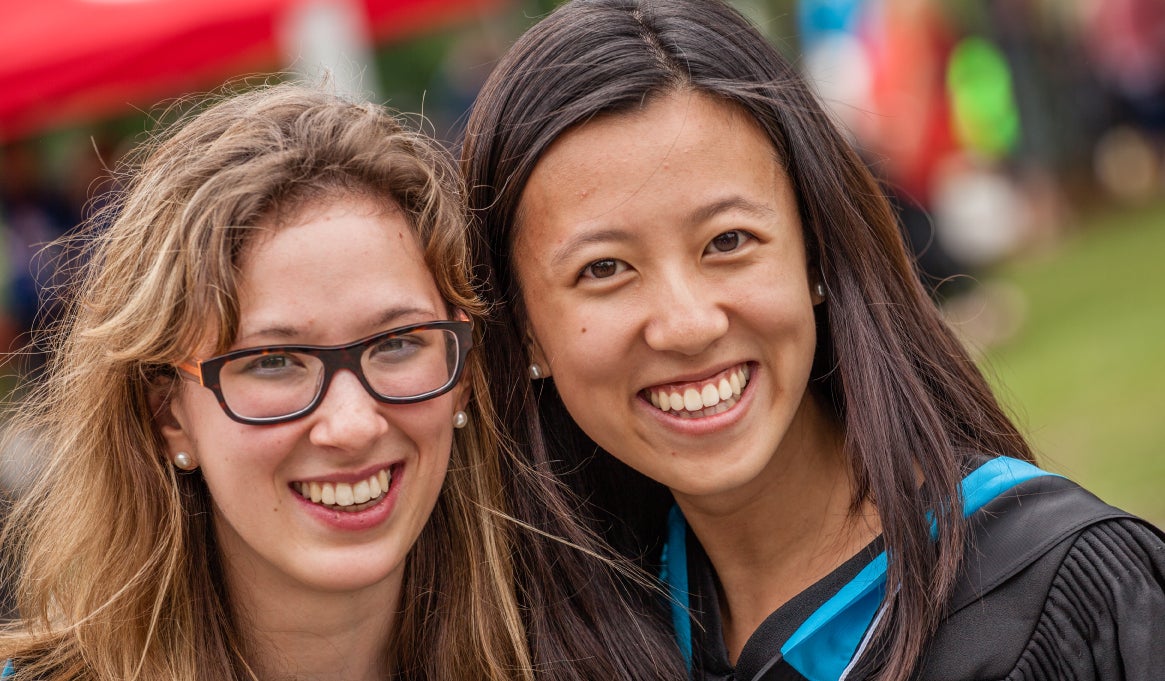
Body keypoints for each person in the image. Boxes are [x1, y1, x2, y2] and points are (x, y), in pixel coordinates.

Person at [460, 1, 1165, 680]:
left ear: (815, 256)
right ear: (525, 331)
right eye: (603, 268)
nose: (687, 323)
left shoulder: (1057, 593)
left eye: (728, 240)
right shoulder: (553, 633)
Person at [0, 83, 681, 681]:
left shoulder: (602, 651)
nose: (352, 424)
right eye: (272, 361)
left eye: (397, 343)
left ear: (465, 376)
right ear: (168, 415)